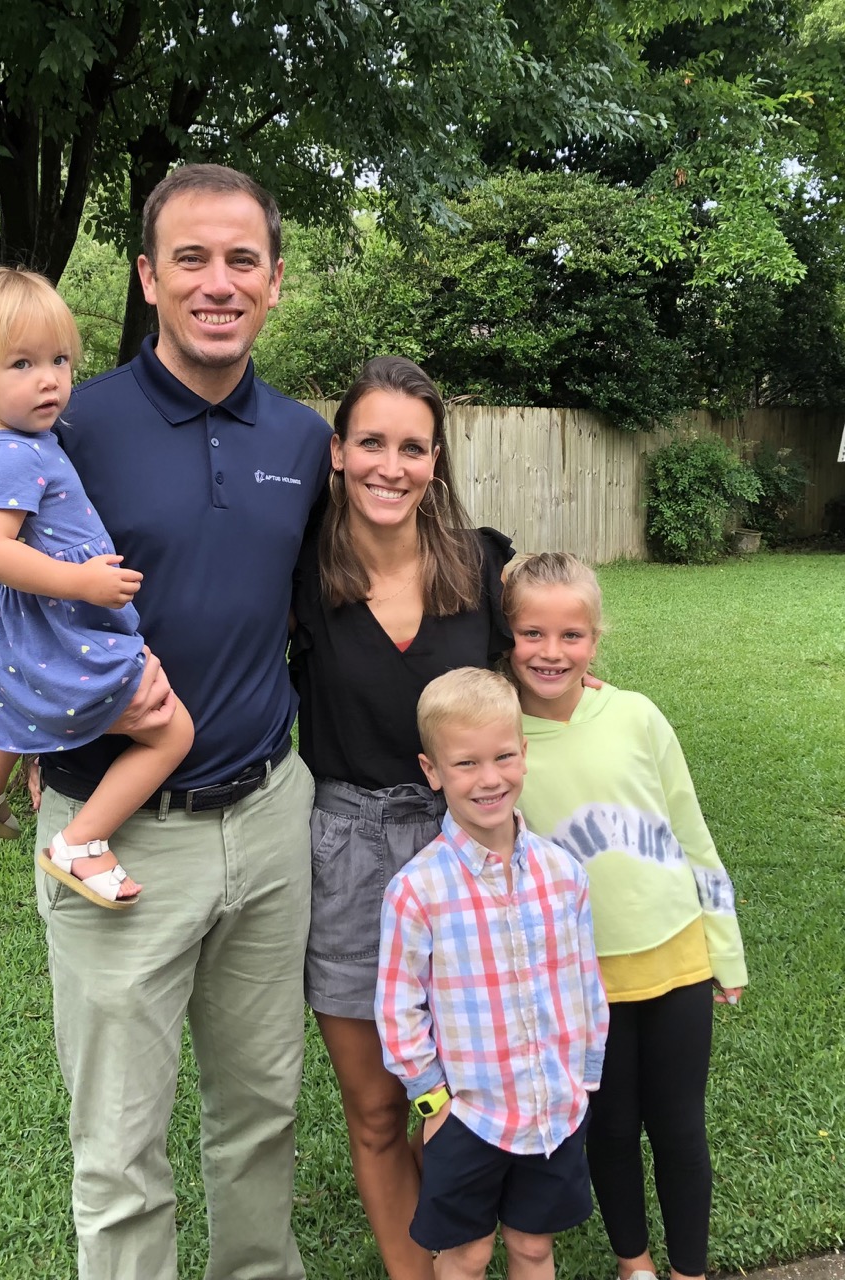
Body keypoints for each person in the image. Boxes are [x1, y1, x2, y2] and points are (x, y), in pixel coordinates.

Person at [0, 165, 333, 1280]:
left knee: (261, 1112)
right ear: (149, 277)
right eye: (190, 258)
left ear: (274, 280)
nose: (218, 282)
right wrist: (45, 716)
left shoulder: (303, 440)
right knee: (118, 1149)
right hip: (115, 834)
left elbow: (319, 607)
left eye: (242, 260)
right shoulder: (67, 422)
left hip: (268, 818)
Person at [287, 356, 516, 1278]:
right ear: (338, 453)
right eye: (371, 442)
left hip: (468, 854)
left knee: (457, 1099)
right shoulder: (299, 568)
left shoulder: (481, 565)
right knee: (381, 1109)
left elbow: (538, 676)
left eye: (413, 447)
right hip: (347, 854)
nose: (392, 466)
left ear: (436, 460)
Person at [503, 552, 748, 1280]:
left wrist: (725, 948)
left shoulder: (637, 715)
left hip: (677, 957)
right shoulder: (501, 745)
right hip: (581, 981)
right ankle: (634, 1264)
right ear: (506, 635)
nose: (551, 652)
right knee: (608, 1130)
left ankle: (689, 1270)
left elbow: (692, 833)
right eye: (531, 633)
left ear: (596, 639)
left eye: (571, 635)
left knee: (679, 1129)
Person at [0, 267, 194, 907]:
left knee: (10, 694)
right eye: (21, 364)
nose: (50, 379)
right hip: (52, 617)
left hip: (14, 623)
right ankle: (81, 842)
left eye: (58, 360)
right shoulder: (15, 453)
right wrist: (81, 581)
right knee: (173, 731)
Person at [375, 667, 609, 1280]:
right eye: (466, 764)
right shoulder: (417, 890)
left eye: (504, 756)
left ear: (524, 753)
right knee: (468, 1254)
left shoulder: (564, 875)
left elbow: (587, 985)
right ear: (432, 771)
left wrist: (585, 1078)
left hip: (555, 1108)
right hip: (469, 1116)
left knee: (533, 1247)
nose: (489, 778)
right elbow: (398, 1008)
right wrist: (432, 1100)